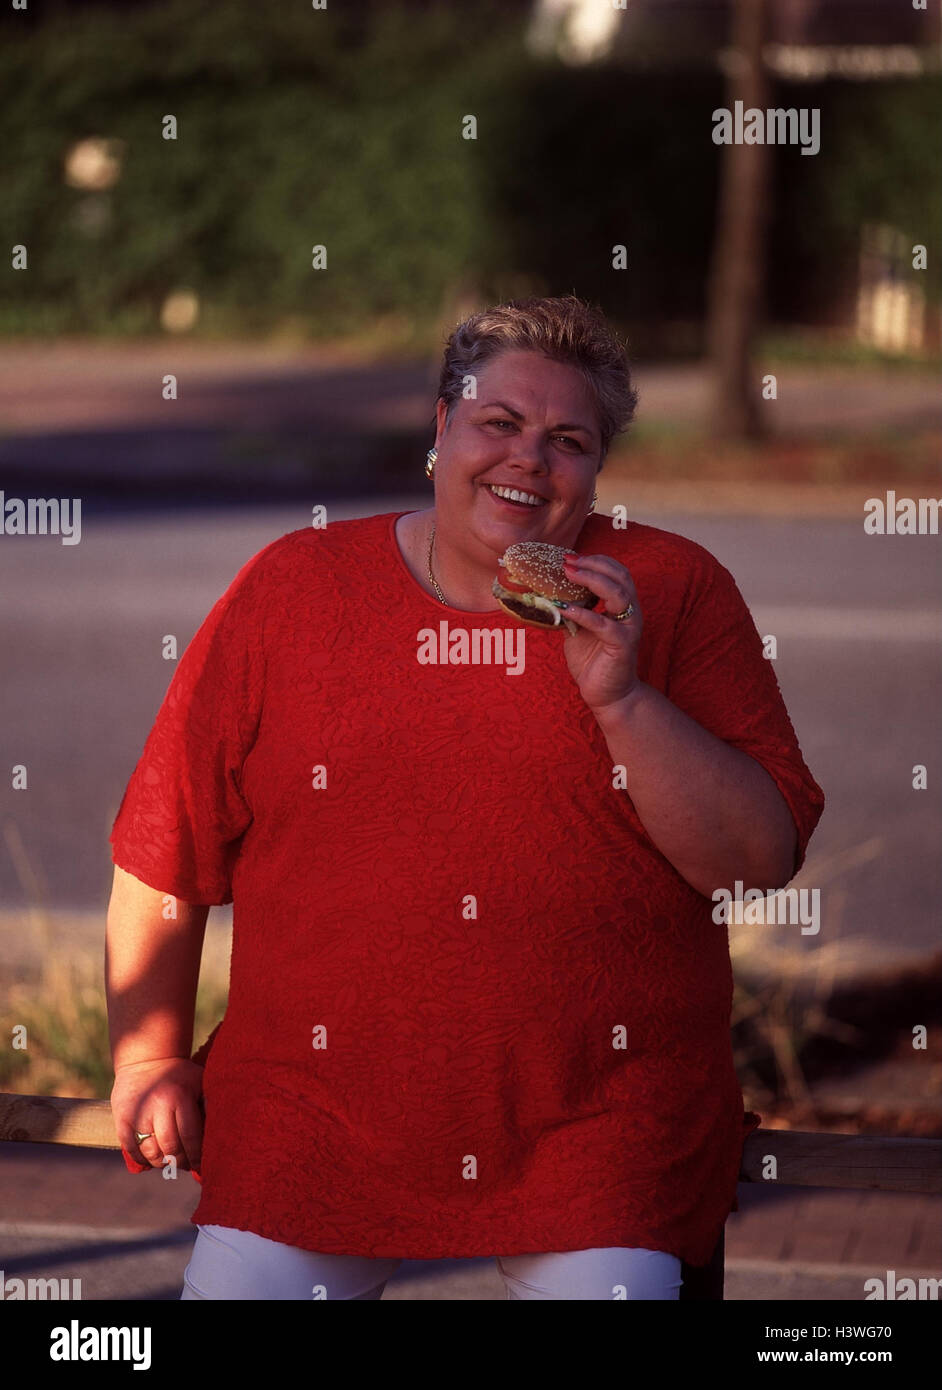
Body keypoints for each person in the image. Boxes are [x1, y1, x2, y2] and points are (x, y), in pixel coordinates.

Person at [106, 295, 825, 1301]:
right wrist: (146, 1059)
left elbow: (759, 855)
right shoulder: (293, 587)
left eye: (568, 439)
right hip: (312, 1116)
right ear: (442, 430)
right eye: (500, 423)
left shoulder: (671, 586)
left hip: (598, 1129)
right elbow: (161, 842)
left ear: (597, 471)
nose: (530, 458)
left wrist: (619, 698)